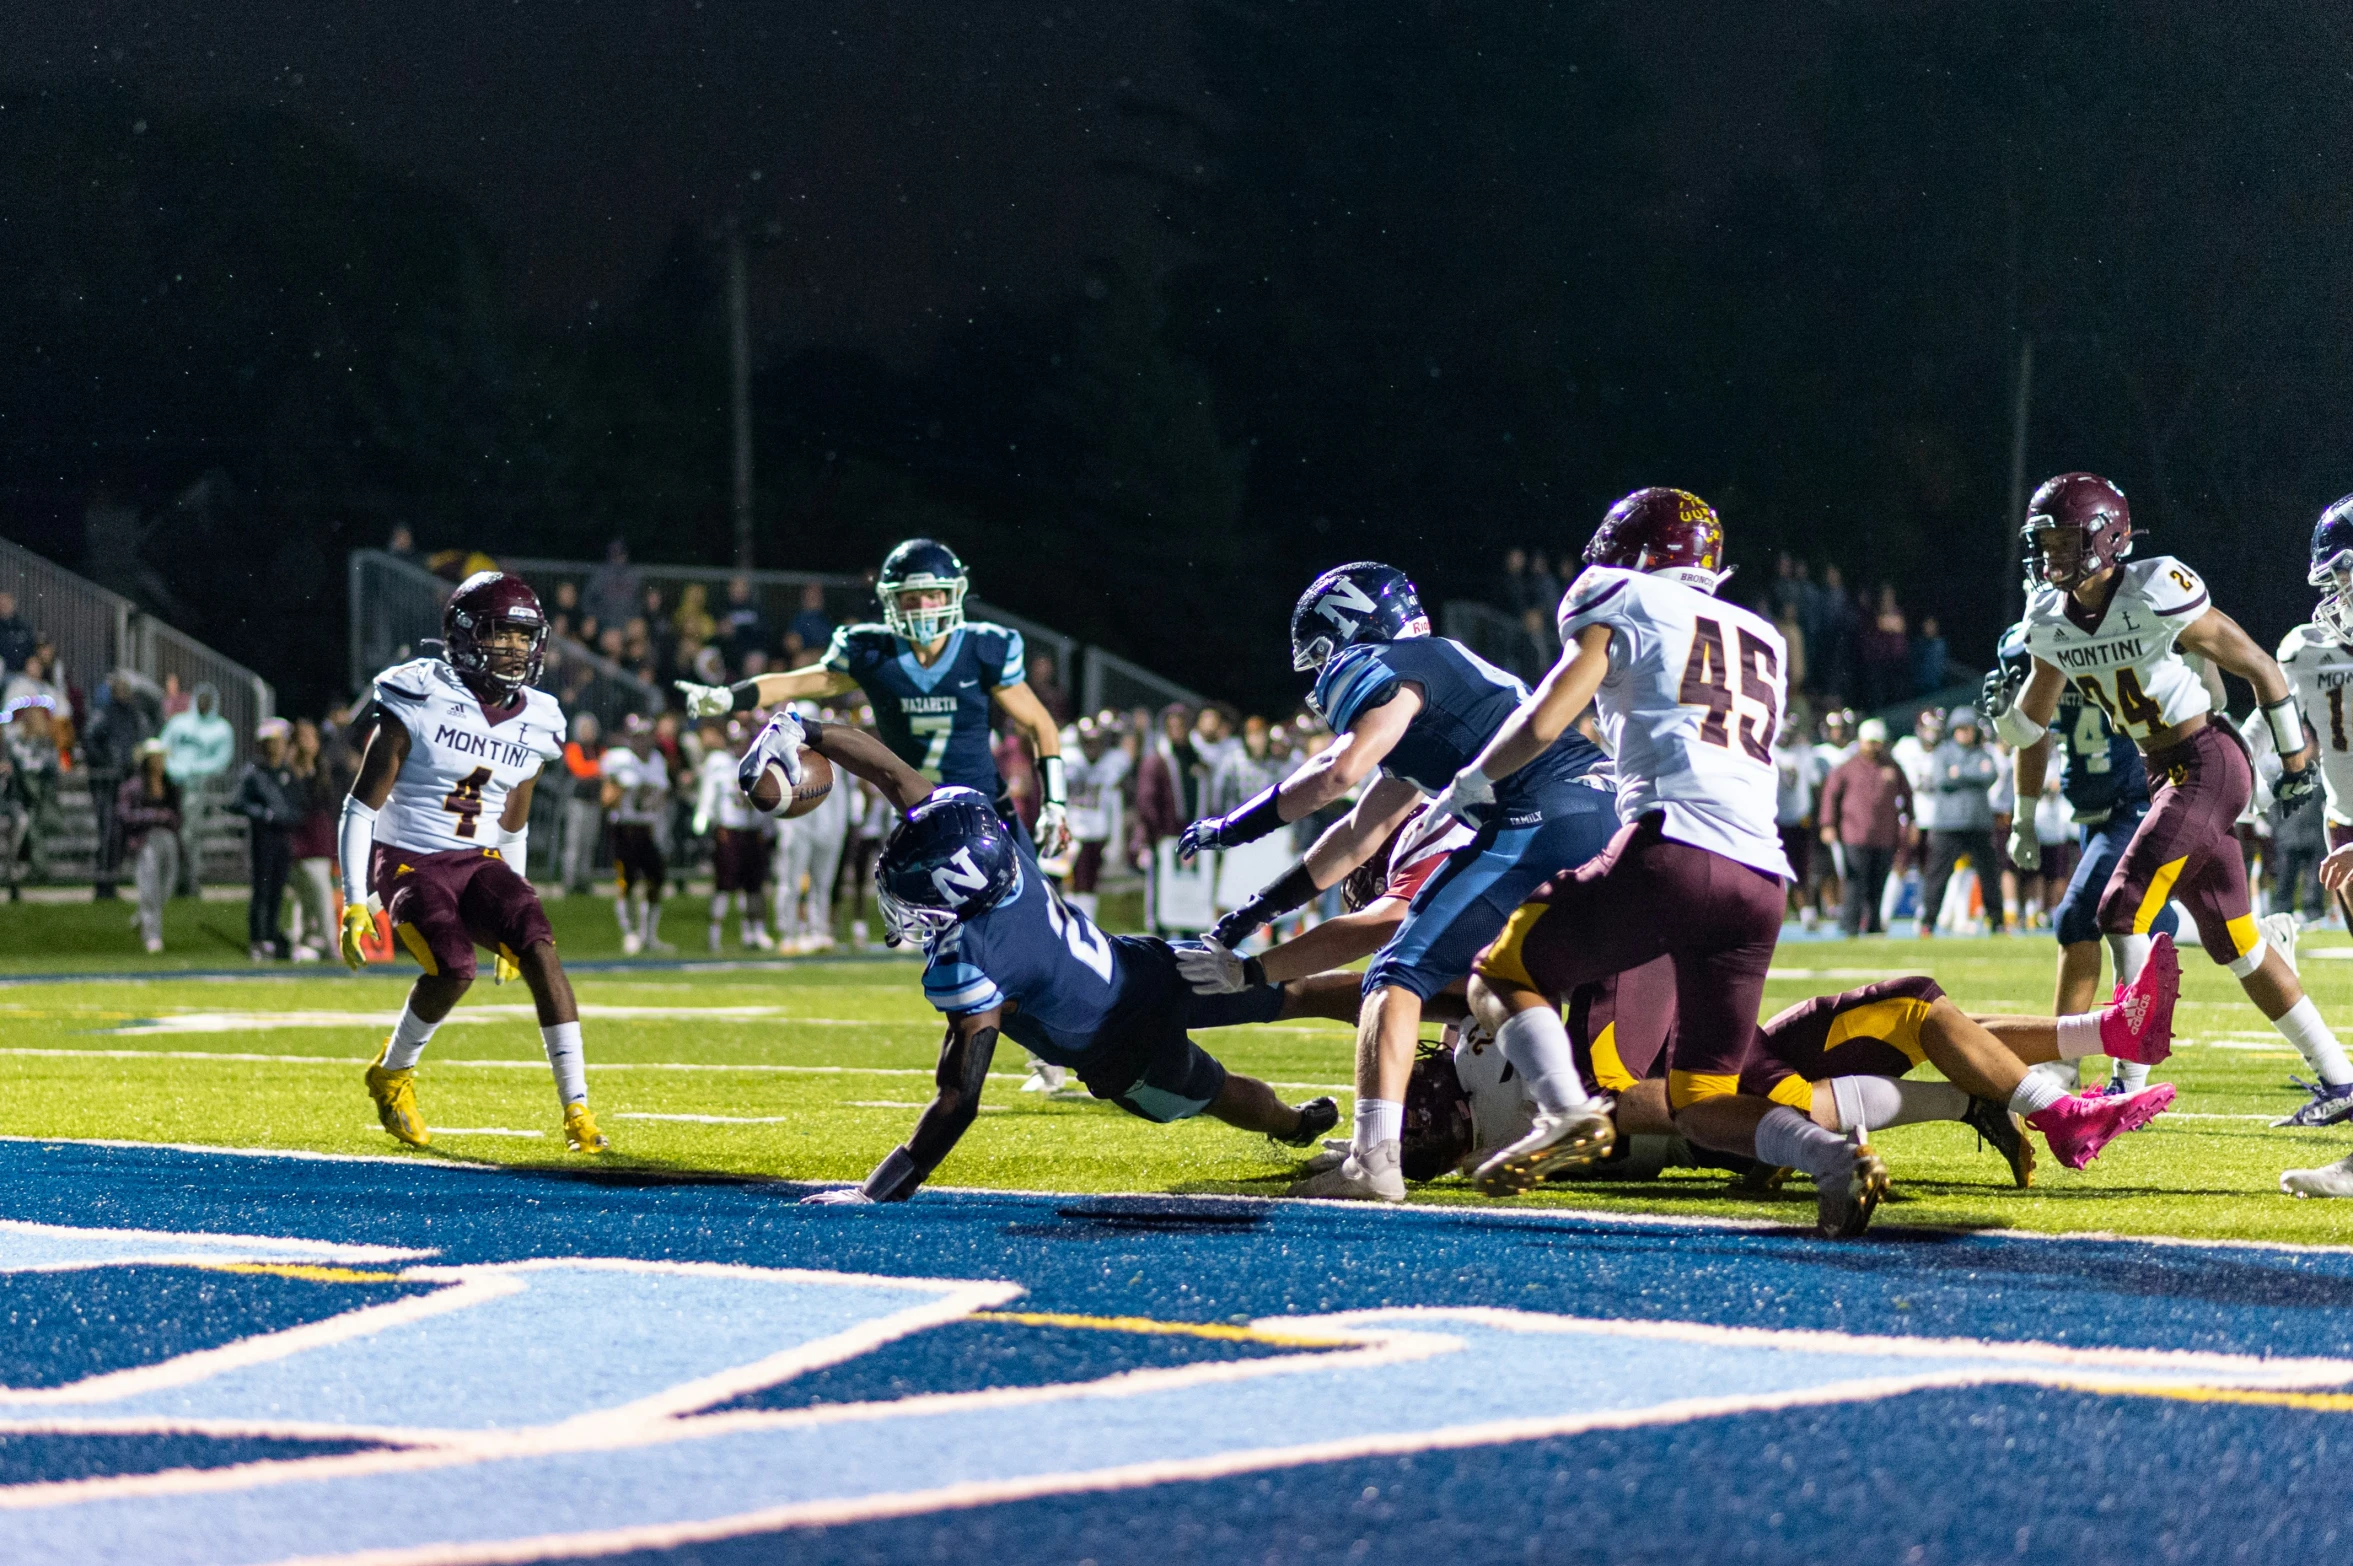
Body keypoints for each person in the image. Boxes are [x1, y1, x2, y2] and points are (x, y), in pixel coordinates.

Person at [1417, 491, 1886, 1230]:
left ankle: (1567, 1112)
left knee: (1500, 973)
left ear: (1632, 554)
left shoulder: (1616, 594)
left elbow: (1548, 712)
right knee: (1700, 1101)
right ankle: (1833, 1158)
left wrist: (1471, 783)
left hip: (1674, 847)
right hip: (1760, 879)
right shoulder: (1761, 633)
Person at [752, 715, 1339, 1206]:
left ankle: (1294, 1124)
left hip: (1122, 1053)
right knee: (1291, 991)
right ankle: (1407, 1000)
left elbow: (958, 1101)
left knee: (1221, 1093)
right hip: (1140, 969)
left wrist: (874, 1192)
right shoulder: (986, 838)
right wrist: (805, 728)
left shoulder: (967, 961)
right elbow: (885, 768)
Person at [1176, 560, 1613, 1202]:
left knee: (1395, 972)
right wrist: (1243, 922)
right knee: (1493, 978)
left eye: (1323, 652)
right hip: (1600, 811)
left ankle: (1375, 1160)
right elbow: (1355, 837)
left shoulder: (1397, 667)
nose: (1321, 673)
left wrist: (1232, 827)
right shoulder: (1445, 695)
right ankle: (1563, 1104)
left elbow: (1337, 771)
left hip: (1542, 807)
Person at [1992, 472, 2345, 1129]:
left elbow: (2259, 667)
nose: (2050, 556)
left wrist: (2294, 757)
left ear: (2106, 536)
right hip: (2162, 770)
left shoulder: (2152, 588)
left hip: (2206, 761)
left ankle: (2128, 1083)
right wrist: (2016, 789)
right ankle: (2342, 1078)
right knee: (2235, 942)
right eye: (2043, 542)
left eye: (2063, 540)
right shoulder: (2047, 618)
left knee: (2120, 907)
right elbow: (2028, 726)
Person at [1403, 949, 2179, 1202]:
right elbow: (1649, 1109)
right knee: (1870, 1039)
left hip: (1712, 1051)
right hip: (1713, 1096)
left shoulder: (1480, 1045)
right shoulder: (1511, 1119)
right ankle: (2040, 1103)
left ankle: (2093, 1043)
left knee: (1909, 1006)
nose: (1430, 1074)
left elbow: (1392, 990)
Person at [336, 571, 608, 1153]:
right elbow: (359, 808)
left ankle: (579, 1111)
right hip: (409, 859)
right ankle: (392, 1074)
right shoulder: (417, 694)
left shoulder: (541, 717)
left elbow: (514, 821)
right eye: (500, 634)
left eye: (523, 636)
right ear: (463, 634)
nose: (514, 648)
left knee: (538, 945)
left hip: (479, 858)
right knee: (454, 965)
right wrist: (354, 900)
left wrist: (518, 893)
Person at [674, 538, 1069, 861]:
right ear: (891, 602)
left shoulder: (982, 648)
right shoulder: (874, 652)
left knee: (1035, 918)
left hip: (987, 809)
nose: (923, 608)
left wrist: (1055, 802)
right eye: (911, 598)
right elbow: (795, 684)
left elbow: (1040, 723)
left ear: (954, 595)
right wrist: (727, 697)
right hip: (919, 814)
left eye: (933, 595)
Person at [1986, 621, 2178, 1090]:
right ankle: (2260, 941)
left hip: (2139, 799)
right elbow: (2031, 737)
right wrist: (2024, 818)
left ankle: (2068, 1058)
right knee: (2151, 919)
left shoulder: (2106, 647)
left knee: (2079, 916)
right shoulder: (2038, 647)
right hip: (2095, 810)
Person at [1819, 718, 1911, 936]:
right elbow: (1830, 797)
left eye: (1877, 742)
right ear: (1861, 741)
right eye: (1870, 742)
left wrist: (1911, 821)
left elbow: (1907, 795)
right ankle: (1849, 925)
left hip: (1885, 835)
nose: (1874, 747)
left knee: (1878, 884)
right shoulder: (1847, 768)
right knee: (1854, 883)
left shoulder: (1891, 766)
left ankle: (1874, 925)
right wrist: (1827, 824)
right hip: (1854, 834)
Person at [1917, 707, 2003, 937]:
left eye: (1970, 729)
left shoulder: (1983, 753)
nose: (1966, 733)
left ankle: (1997, 920)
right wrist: (1973, 775)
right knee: (1937, 875)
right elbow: (1943, 779)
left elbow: (1991, 776)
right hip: (1948, 824)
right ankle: (1928, 921)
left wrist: (1960, 774)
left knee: (1989, 875)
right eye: (1962, 729)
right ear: (1953, 730)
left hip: (1978, 822)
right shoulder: (1943, 752)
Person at [693, 719, 774, 952]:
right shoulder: (719, 764)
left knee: (754, 886)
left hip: (753, 832)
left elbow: (767, 799)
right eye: (735, 741)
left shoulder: (760, 763)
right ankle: (714, 935)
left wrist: (769, 828)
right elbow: (708, 794)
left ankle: (755, 932)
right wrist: (703, 819)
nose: (739, 746)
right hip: (729, 831)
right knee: (724, 885)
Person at [228, 718, 303, 961]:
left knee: (277, 890)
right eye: (272, 742)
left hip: (283, 837)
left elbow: (299, 805)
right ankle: (258, 939)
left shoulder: (288, 773)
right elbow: (237, 802)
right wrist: (264, 815)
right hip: (263, 837)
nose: (277, 747)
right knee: (262, 888)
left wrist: (288, 816)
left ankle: (271, 936)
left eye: (280, 742)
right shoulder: (254, 772)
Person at [81, 671, 155, 900]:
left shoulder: (136, 717)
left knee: (121, 832)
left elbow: (145, 741)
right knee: (108, 832)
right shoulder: (103, 715)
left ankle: (110, 881)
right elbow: (89, 741)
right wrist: (107, 762)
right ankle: (103, 884)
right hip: (107, 784)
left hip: (127, 782)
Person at [601, 713, 672, 955]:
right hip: (625, 828)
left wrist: (648, 796)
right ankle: (630, 933)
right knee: (626, 883)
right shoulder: (618, 759)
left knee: (656, 880)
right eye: (636, 737)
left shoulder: (656, 760)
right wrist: (622, 790)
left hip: (648, 828)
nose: (641, 742)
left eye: (645, 737)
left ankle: (649, 935)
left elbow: (661, 795)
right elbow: (607, 797)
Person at [159, 682, 233, 895]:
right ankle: (172, 881)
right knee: (172, 834)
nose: (203, 704)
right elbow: (164, 747)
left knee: (190, 836)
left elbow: (221, 760)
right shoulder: (179, 723)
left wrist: (193, 770)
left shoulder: (221, 728)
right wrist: (174, 770)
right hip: (172, 785)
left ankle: (189, 881)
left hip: (199, 789)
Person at [1061, 714, 1132, 921]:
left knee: (1090, 882)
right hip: (1071, 828)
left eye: (1096, 742)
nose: (1092, 747)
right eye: (1087, 742)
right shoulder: (1068, 759)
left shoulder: (1113, 762)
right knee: (1068, 881)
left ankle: (1085, 921)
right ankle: (1068, 920)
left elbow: (1116, 800)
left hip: (1096, 830)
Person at [118, 739, 181, 953]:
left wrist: (169, 819)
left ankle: (143, 918)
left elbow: (177, 814)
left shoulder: (170, 784)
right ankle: (152, 934)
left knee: (167, 885)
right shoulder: (135, 786)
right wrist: (153, 816)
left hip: (167, 838)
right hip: (146, 839)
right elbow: (125, 814)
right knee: (149, 887)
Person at [284, 718, 337, 960]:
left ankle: (329, 944)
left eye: (310, 737)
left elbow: (321, 801)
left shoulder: (323, 771)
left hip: (316, 843)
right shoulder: (288, 773)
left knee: (320, 894)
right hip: (296, 841)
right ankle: (306, 941)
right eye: (302, 737)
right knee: (303, 897)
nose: (307, 743)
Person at [1771, 712, 1822, 928]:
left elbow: (1815, 783)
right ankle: (1777, 911)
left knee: (1803, 867)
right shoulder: (1768, 752)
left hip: (1800, 818)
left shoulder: (1804, 752)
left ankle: (1807, 912)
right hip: (1773, 818)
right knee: (1772, 867)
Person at [0, 590, 33, 677]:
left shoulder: (23, 625)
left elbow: (31, 648)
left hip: (21, 673)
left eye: (7, 602)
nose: (4, 606)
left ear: (13, 603)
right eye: (2, 603)